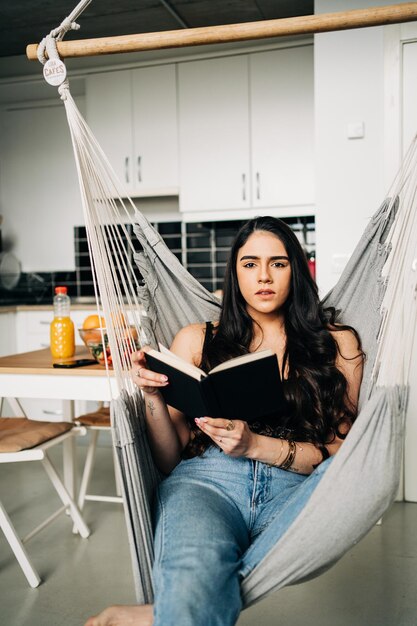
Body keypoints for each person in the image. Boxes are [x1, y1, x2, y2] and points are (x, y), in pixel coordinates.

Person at [85, 216, 364, 626]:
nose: (264, 276)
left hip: (295, 489)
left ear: (297, 271)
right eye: (250, 264)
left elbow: (345, 454)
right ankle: (182, 605)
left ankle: (165, 611)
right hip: (207, 482)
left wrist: (256, 445)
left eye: (278, 263)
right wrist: (152, 397)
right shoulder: (196, 339)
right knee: (194, 560)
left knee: (343, 478)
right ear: (234, 272)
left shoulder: (337, 342)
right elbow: (167, 459)